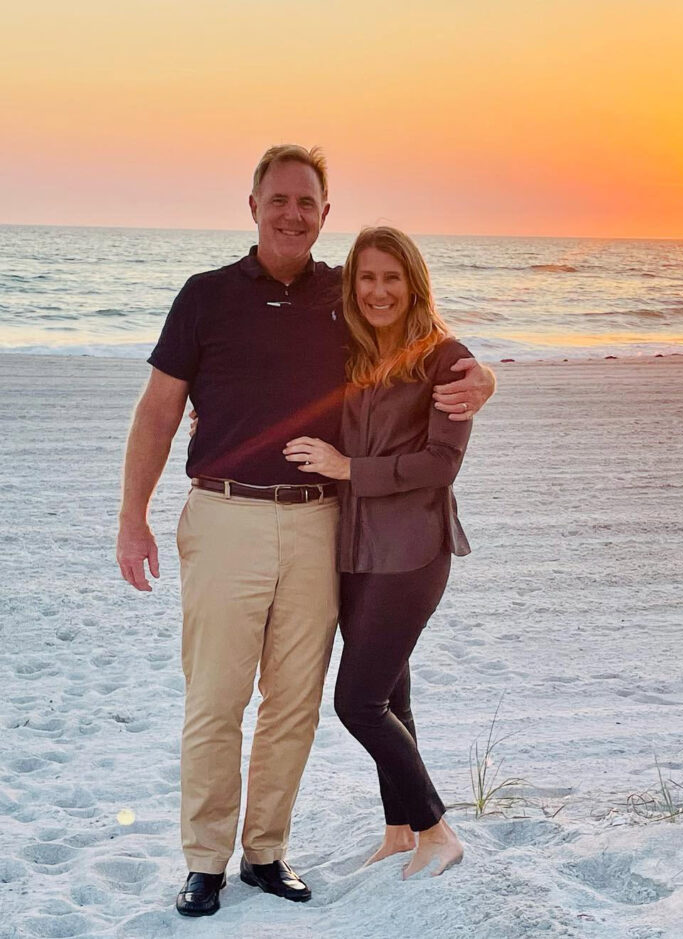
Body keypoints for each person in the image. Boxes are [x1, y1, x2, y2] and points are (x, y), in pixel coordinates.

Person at [115, 145, 494, 917]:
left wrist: (485, 376)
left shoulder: (345, 299)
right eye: (278, 198)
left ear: (326, 212)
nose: (292, 213)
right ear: (252, 204)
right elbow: (158, 410)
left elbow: (422, 350)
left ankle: (265, 852)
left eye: (307, 202)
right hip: (223, 514)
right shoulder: (204, 296)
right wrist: (133, 518)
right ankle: (204, 861)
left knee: (294, 700)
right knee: (216, 698)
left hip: (323, 520)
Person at [281, 226, 470, 879]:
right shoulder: (354, 356)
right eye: (368, 278)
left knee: (357, 701)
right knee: (394, 695)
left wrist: (346, 466)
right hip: (355, 550)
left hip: (414, 550)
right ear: (352, 286)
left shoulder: (447, 360)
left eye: (392, 277)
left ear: (413, 283)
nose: (380, 290)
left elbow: (440, 463)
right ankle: (399, 830)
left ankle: (437, 829)